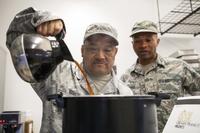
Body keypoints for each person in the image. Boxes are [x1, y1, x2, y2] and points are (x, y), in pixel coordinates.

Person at [6, 7, 133, 133]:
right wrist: (41, 19)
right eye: (93, 49)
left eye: (107, 50)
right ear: (82, 50)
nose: (100, 56)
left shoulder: (126, 95)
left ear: (115, 52)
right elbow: (15, 42)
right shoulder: (56, 72)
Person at [120, 20, 200, 133]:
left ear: (157, 41)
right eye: (138, 41)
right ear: (132, 44)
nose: (143, 45)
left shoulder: (179, 67)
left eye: (148, 40)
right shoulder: (125, 78)